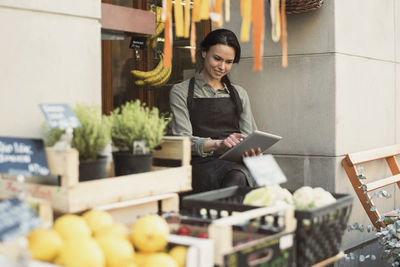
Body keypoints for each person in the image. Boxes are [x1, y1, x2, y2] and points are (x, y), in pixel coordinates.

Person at [169, 28, 260, 193]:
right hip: (200, 165)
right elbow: (182, 141)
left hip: (236, 164)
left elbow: (249, 135)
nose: (222, 67)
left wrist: (251, 149)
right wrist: (217, 144)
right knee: (236, 176)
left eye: (229, 62)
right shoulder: (180, 92)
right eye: (217, 59)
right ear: (204, 53)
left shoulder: (240, 93)